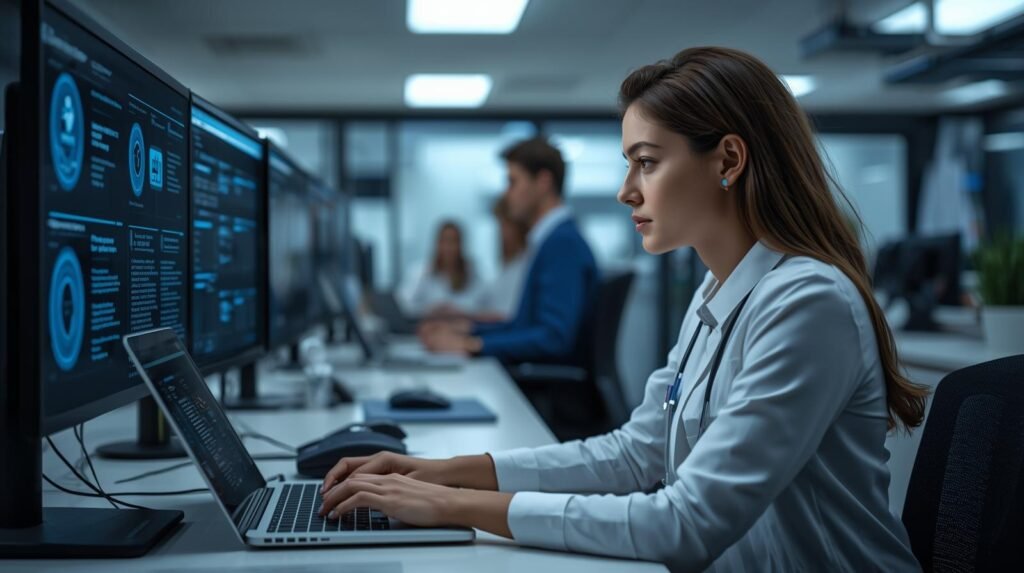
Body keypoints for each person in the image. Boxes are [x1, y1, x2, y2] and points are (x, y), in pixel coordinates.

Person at [318, 47, 928, 572]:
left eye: (647, 162)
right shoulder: (716, 294)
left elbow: (687, 524)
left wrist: (452, 508)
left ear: (728, 161)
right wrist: (442, 471)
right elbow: (636, 453)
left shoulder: (807, 303)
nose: (624, 190)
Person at [419, 137, 599, 365]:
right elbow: (523, 326)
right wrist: (468, 332)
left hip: (549, 392)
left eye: (513, 182)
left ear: (543, 182)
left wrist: (470, 345)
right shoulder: (551, 240)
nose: (506, 194)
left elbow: (554, 337)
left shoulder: (562, 243)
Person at [397, 221, 481, 316]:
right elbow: (403, 304)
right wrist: (430, 309)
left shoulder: (470, 271)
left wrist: (456, 309)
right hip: (429, 325)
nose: (449, 247)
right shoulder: (422, 271)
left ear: (461, 245)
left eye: (454, 241)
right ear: (437, 244)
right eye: (445, 241)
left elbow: (480, 305)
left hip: (462, 325)